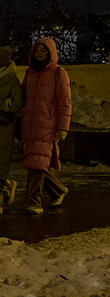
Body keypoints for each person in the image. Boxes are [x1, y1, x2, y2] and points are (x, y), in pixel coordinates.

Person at [20, 37, 71, 215]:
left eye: (43, 50)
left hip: (48, 125)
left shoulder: (59, 73)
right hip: (30, 125)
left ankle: (33, 202)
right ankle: (59, 190)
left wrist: (63, 127)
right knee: (38, 162)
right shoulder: (30, 73)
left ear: (51, 53)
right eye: (37, 50)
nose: (40, 53)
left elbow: (64, 101)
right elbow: (23, 97)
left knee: (37, 163)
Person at [0, 45, 22, 208]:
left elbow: (16, 104)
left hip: (4, 125)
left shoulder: (12, 79)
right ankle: (7, 185)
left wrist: (5, 105)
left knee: (2, 160)